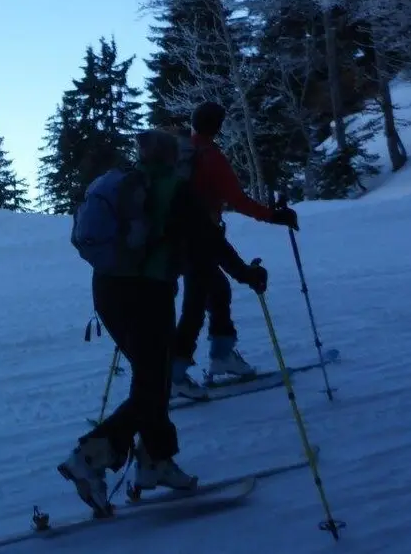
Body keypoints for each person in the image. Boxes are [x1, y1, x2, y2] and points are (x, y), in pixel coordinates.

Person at [58, 129, 269, 516]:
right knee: (152, 385)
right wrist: (247, 275)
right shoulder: (176, 191)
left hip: (107, 292)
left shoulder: (124, 183)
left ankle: (155, 461)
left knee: (151, 380)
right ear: (175, 159)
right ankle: (90, 456)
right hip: (148, 296)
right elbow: (211, 243)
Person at [171, 101, 298, 396]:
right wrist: (274, 216)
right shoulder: (211, 157)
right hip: (201, 236)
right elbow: (238, 200)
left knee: (216, 291)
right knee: (195, 303)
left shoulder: (181, 152)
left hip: (181, 236)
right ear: (218, 126)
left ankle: (220, 356)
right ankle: (175, 375)